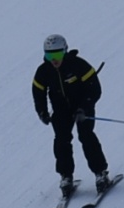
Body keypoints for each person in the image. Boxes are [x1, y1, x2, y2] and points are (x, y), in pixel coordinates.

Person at [32, 34, 111, 192]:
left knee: (86, 136)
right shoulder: (44, 71)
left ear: (65, 51)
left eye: (57, 54)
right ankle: (66, 176)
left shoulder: (79, 65)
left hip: (82, 107)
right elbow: (38, 91)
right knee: (61, 140)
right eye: (49, 56)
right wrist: (42, 111)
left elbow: (95, 89)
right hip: (61, 110)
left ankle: (100, 173)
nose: (54, 60)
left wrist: (84, 107)